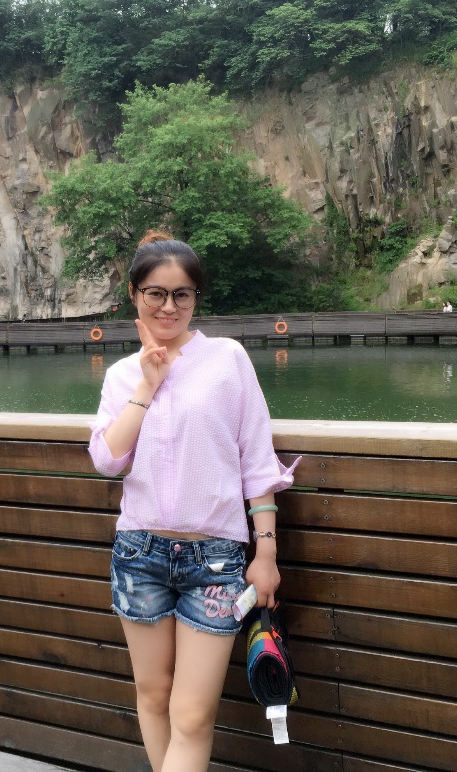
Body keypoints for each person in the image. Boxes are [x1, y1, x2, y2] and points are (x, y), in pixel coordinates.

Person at [88, 230, 298, 772]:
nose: (168, 306)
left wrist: (266, 553)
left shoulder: (227, 359)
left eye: (181, 294)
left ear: (195, 298)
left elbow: (256, 460)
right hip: (140, 555)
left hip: (217, 562)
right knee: (154, 696)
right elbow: (108, 460)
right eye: (155, 293)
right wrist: (148, 383)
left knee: (191, 714)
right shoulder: (122, 375)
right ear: (134, 295)